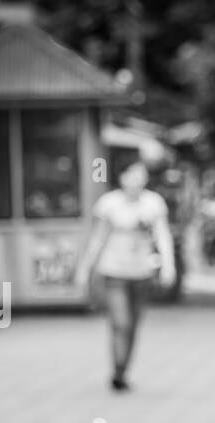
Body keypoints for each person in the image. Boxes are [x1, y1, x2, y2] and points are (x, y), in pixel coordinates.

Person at [77, 160, 175, 391]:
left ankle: (123, 370)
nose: (136, 180)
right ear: (122, 178)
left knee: (133, 325)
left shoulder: (153, 203)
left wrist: (168, 266)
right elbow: (98, 238)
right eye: (132, 175)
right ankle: (117, 370)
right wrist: (85, 268)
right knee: (121, 322)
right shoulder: (109, 204)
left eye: (141, 176)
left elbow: (163, 236)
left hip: (142, 273)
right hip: (114, 272)